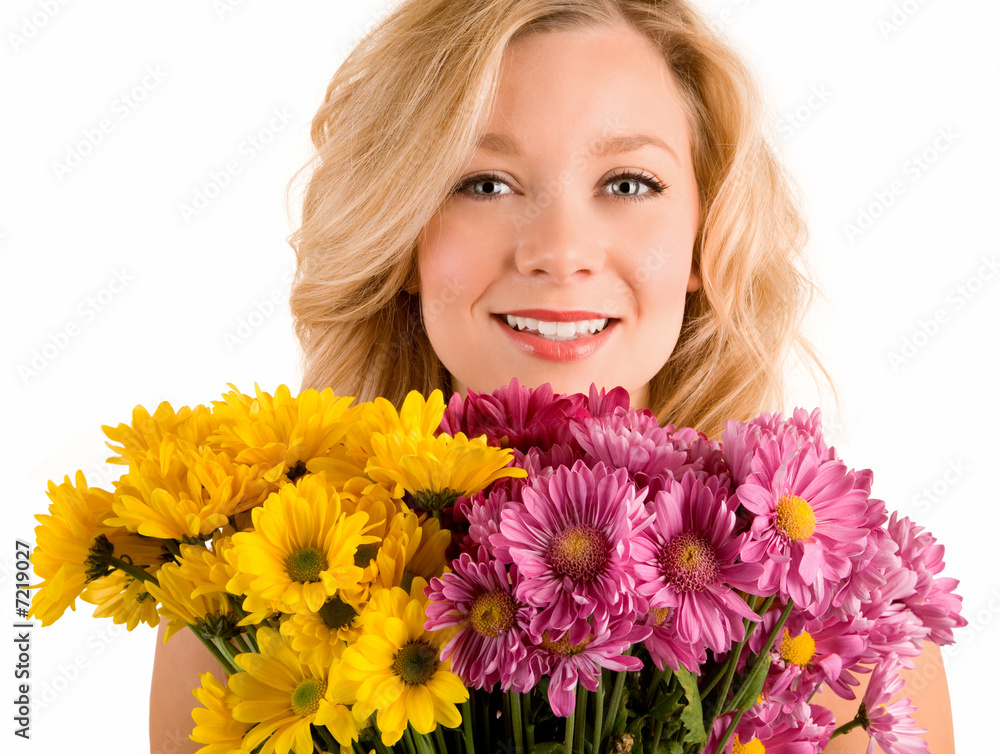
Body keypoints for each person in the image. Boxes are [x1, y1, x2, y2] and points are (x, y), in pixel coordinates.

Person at [149, 1, 956, 752]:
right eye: (483, 183)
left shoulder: (851, 642)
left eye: (629, 183)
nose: (560, 249)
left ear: (706, 240)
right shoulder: (243, 627)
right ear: (400, 237)